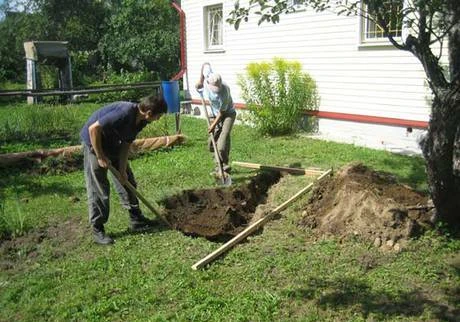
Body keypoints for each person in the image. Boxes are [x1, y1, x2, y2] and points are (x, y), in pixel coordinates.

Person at [80, 94, 167, 245]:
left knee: (128, 181)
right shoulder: (124, 113)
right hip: (94, 143)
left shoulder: (141, 121)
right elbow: (93, 129)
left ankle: (136, 219)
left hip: (113, 143)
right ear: (149, 113)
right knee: (99, 187)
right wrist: (100, 156)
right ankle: (97, 228)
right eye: (158, 116)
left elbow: (126, 144)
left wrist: (122, 171)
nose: (158, 119)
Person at [195, 63, 236, 176]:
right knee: (211, 144)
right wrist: (200, 81)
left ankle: (224, 165)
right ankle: (218, 165)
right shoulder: (210, 78)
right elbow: (205, 65)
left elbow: (222, 112)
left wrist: (213, 125)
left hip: (228, 114)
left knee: (222, 140)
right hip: (214, 114)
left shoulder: (225, 91)